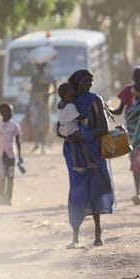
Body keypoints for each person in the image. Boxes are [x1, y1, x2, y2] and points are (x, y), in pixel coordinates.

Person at [60, 69, 114, 248]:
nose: (88, 84)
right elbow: (59, 128)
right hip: (73, 152)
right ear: (76, 82)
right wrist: (70, 136)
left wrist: (85, 136)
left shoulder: (95, 100)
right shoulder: (68, 101)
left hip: (93, 151)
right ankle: (75, 235)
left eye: (90, 81)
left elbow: (103, 129)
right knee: (77, 191)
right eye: (84, 81)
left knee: (95, 190)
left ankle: (98, 233)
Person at [110, 66, 140, 204]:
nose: (138, 80)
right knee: (135, 162)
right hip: (133, 132)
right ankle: (137, 192)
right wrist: (106, 109)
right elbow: (119, 110)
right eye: (135, 78)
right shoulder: (127, 91)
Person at [56, 82, 96, 173]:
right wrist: (88, 110)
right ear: (65, 96)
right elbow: (80, 117)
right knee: (83, 142)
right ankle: (89, 161)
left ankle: (75, 165)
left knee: (73, 146)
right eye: (71, 96)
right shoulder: (70, 106)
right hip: (71, 129)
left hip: (63, 129)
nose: (73, 98)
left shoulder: (60, 105)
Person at [0, 103, 23, 205]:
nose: (10, 114)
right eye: (8, 112)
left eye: (11, 112)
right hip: (1, 155)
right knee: (2, 176)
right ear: (2, 113)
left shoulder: (14, 126)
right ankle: (1, 197)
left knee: (10, 177)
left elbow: (18, 141)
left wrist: (20, 155)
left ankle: (8, 198)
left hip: (11, 155)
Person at [27, 62, 56, 153]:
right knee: (35, 122)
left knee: (44, 122)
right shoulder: (34, 77)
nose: (40, 68)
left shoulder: (49, 76)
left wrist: (48, 94)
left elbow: (54, 88)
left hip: (45, 101)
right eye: (38, 66)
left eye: (41, 66)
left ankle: (43, 144)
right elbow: (32, 89)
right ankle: (37, 144)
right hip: (35, 100)